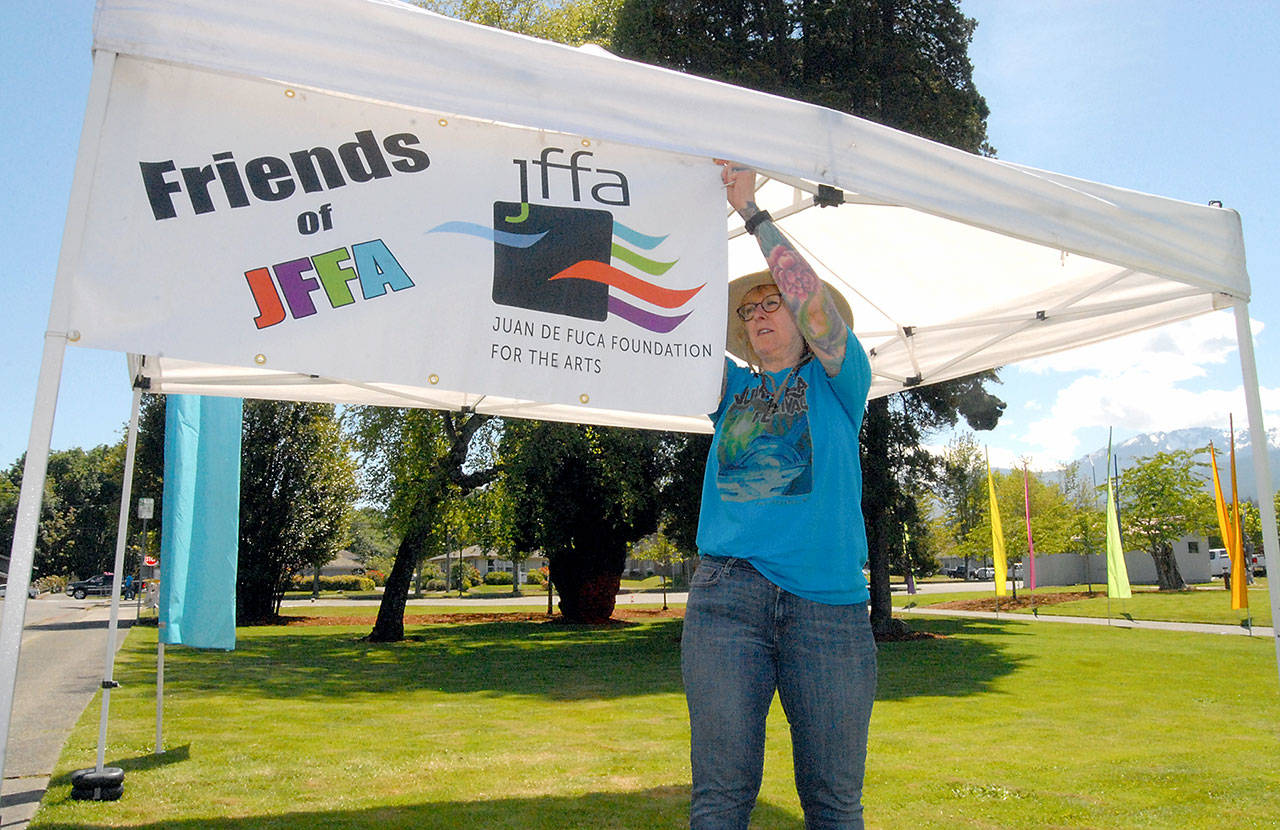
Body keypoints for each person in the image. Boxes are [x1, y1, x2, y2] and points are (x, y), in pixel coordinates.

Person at [681, 161, 876, 830]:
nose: (762, 313)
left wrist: (753, 215)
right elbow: (663, 327)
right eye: (750, 309)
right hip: (725, 602)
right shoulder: (727, 389)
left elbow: (816, 309)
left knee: (832, 802)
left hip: (829, 610)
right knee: (720, 796)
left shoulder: (839, 380)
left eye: (774, 303)